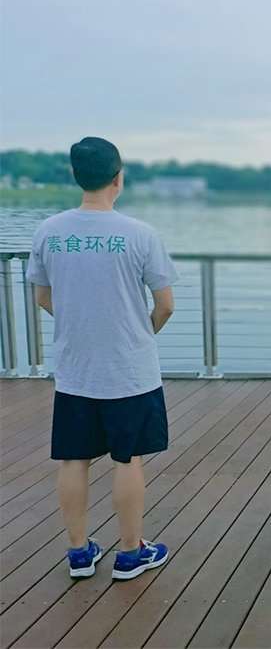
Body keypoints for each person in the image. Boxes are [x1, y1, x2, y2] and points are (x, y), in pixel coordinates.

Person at [26, 137, 177, 580]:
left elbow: (42, 295)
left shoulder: (48, 231)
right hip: (128, 369)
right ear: (119, 177)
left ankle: (79, 552)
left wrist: (82, 326)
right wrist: (136, 335)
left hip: (75, 368)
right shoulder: (140, 234)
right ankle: (130, 553)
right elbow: (165, 304)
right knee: (127, 458)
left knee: (74, 458)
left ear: (76, 176)